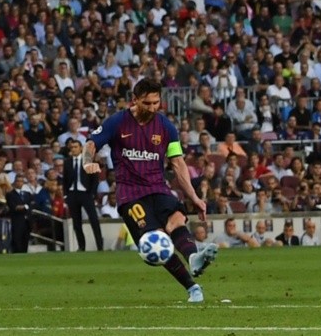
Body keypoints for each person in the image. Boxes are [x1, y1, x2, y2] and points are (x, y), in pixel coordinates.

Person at [84, 78, 218, 303]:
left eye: (157, 103)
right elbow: (91, 144)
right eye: (147, 103)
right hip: (131, 195)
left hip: (159, 188)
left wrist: (194, 196)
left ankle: (194, 257)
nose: (153, 108)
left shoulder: (166, 127)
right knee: (157, 242)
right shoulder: (117, 122)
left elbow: (177, 163)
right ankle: (192, 287)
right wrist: (88, 161)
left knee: (176, 219)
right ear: (134, 100)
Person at [63, 138, 103, 251]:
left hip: (86, 194)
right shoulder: (67, 162)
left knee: (94, 220)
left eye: (76, 147)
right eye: (72, 147)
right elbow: (65, 180)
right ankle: (81, 246)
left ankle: (100, 246)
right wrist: (66, 195)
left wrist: (92, 194)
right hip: (72, 194)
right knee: (76, 222)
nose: (73, 149)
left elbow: (95, 179)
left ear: (81, 148)